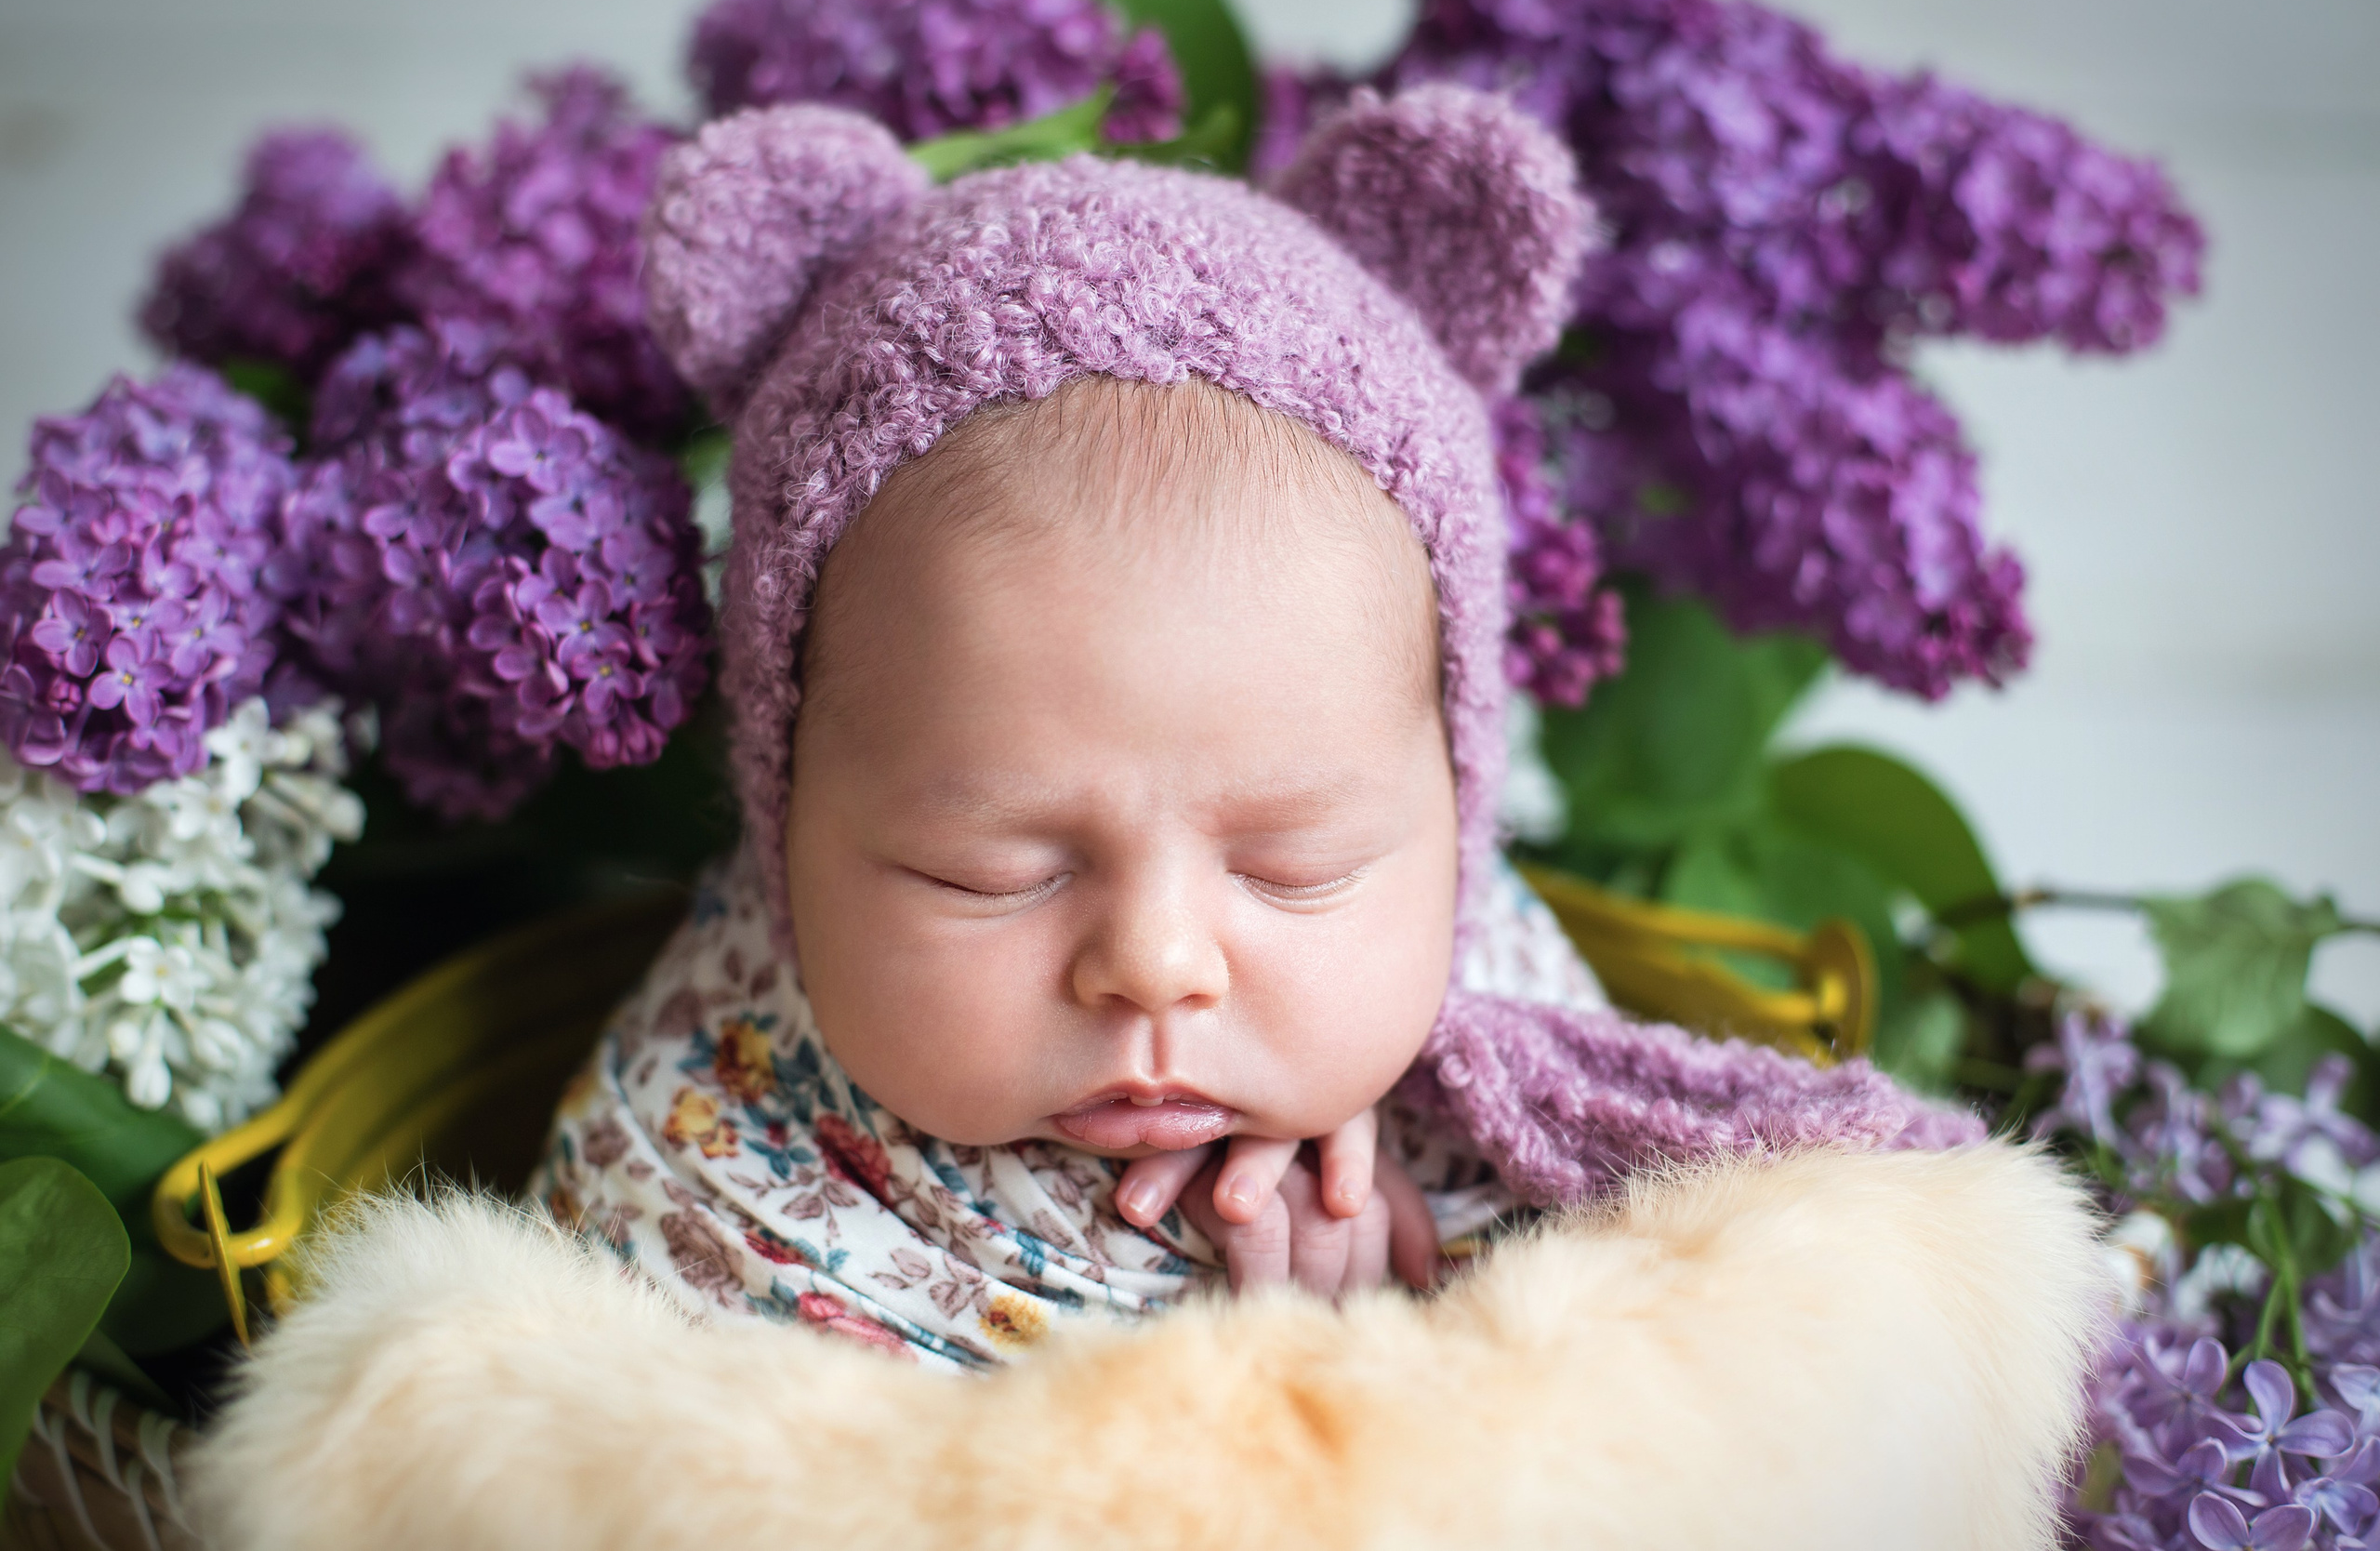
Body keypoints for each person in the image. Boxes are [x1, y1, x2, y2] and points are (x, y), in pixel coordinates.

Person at [529, 82, 1978, 1371]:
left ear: (1451, 816)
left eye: (1298, 866)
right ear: (788, 813)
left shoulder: (1515, 1035)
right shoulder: (691, 1173)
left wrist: (1419, 1326)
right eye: (991, 870)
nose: (1157, 963)